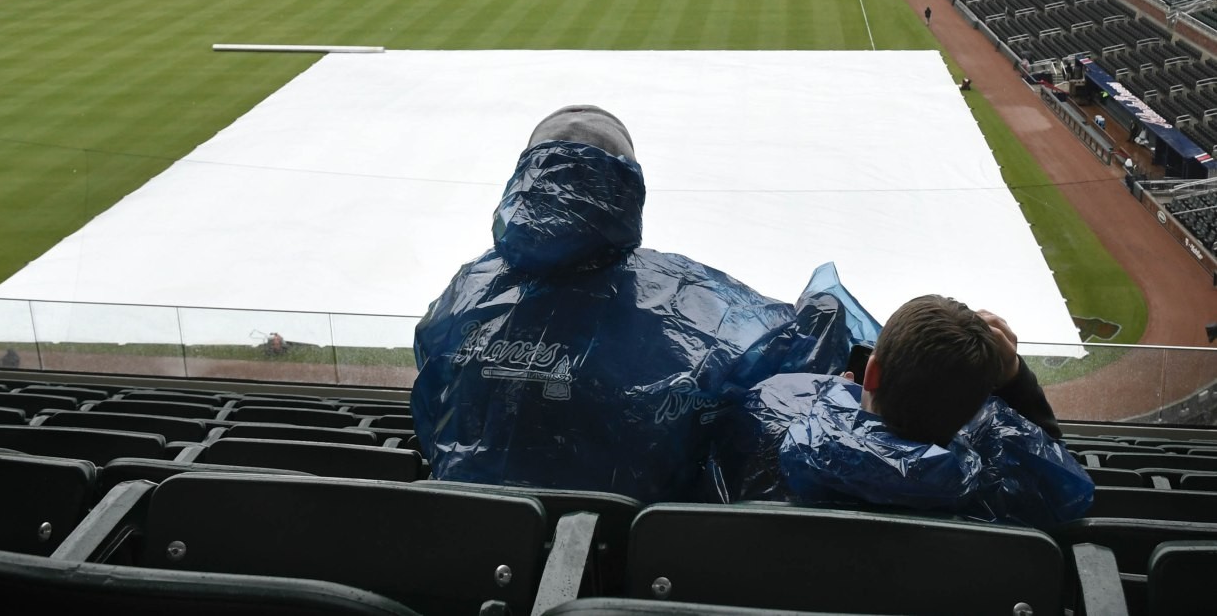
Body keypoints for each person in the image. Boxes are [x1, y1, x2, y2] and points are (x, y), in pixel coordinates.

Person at [412, 105, 864, 502]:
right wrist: (824, 307)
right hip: (625, 555)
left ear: (523, 180)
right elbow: (795, 358)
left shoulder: (466, 290)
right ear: (627, 190)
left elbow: (433, 405)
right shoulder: (686, 297)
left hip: (468, 538)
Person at [710, 296, 1093, 528]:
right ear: (980, 408)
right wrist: (1015, 378)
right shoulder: (995, 490)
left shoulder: (769, 427)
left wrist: (832, 401)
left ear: (870, 372)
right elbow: (1057, 477)